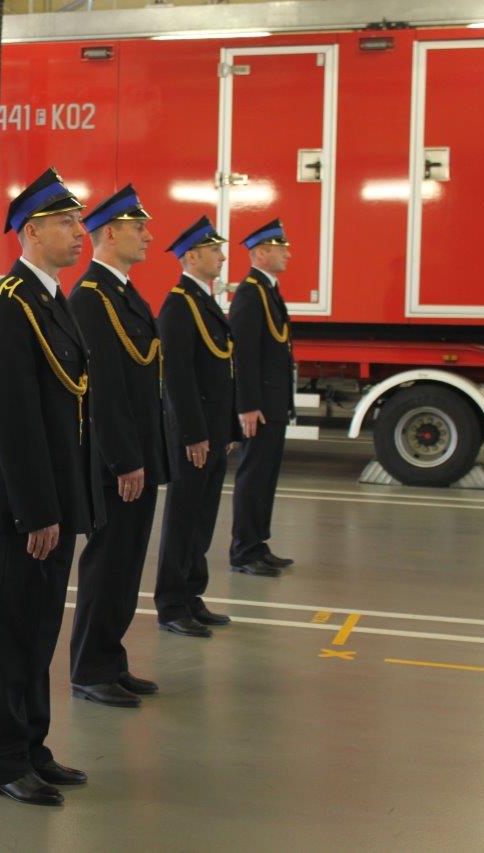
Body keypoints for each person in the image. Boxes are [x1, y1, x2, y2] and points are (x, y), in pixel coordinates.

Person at [0, 168, 103, 807]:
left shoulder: (50, 300)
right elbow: (10, 418)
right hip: (17, 510)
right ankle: (2, 758)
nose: (79, 233)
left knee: (40, 631)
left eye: (78, 222)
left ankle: (32, 746)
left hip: (51, 501)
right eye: (66, 223)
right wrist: (37, 511)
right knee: (9, 636)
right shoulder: (7, 307)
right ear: (30, 232)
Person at [66, 185, 169, 708]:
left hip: (140, 456)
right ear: (110, 233)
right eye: (138, 227)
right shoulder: (91, 299)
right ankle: (90, 668)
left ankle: (111, 659)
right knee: (108, 566)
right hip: (117, 463)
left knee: (127, 566)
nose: (148, 236)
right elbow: (102, 391)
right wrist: (125, 459)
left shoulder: (124, 294)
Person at [153, 216, 236, 639]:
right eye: (214, 250)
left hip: (213, 431)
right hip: (194, 435)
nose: (222, 257)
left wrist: (228, 430)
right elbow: (178, 378)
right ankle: (171, 604)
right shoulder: (179, 305)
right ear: (191, 257)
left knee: (203, 519)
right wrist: (193, 435)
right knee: (184, 519)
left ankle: (191, 595)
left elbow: (223, 371)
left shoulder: (204, 301)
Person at [229, 219, 297, 577]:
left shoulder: (268, 290)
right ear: (260, 253)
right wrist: (248, 405)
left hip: (273, 403)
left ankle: (258, 543)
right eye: (280, 248)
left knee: (266, 476)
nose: (288, 254)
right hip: (260, 406)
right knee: (254, 475)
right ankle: (243, 550)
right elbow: (243, 354)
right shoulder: (250, 293)